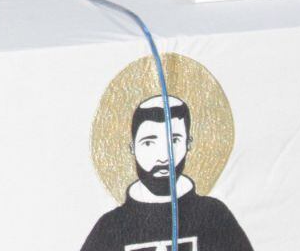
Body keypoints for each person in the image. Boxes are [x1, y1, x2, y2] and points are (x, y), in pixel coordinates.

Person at [80, 96, 254, 251]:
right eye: (149, 143)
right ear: (132, 148)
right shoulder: (111, 227)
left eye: (174, 140)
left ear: (188, 144)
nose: (163, 157)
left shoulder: (213, 216)